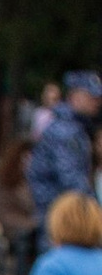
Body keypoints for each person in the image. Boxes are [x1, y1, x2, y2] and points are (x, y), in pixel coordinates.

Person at [26, 72, 102, 226]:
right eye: (91, 97)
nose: (97, 102)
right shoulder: (65, 131)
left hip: (62, 211)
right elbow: (71, 179)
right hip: (60, 214)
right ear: (74, 96)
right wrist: (95, 209)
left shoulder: (76, 127)